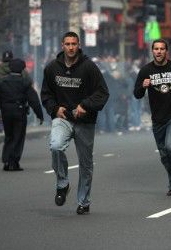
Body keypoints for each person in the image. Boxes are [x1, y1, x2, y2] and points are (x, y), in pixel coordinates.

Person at [41, 31, 109, 215]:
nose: (71, 47)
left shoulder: (89, 67)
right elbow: (46, 94)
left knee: (85, 163)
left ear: (78, 45)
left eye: (74, 44)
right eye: (67, 44)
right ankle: (62, 184)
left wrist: (85, 105)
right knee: (55, 146)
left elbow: (103, 93)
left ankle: (84, 201)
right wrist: (55, 109)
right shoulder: (52, 68)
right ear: (62, 45)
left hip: (84, 121)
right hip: (62, 118)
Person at [133, 39, 171, 196]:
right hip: (158, 118)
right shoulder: (145, 70)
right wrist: (143, 86)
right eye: (156, 49)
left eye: (162, 49)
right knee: (164, 154)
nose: (159, 51)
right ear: (152, 51)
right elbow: (137, 94)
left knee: (170, 146)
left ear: (167, 51)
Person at [0, 59, 43, 171]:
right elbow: (34, 100)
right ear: (22, 69)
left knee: (9, 136)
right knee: (18, 137)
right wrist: (39, 115)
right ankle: (14, 162)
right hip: (19, 111)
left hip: (6, 112)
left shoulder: (2, 82)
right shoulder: (24, 82)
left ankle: (7, 161)